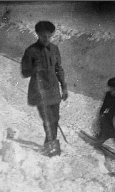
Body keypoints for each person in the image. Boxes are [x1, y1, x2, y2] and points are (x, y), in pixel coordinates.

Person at [21, 21, 68, 157]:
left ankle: (49, 145)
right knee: (48, 121)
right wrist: (34, 68)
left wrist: (64, 87)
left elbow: (59, 68)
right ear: (37, 35)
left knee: (55, 119)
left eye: (48, 36)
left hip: (54, 91)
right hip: (39, 92)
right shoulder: (30, 51)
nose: (46, 39)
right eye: (43, 37)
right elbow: (24, 73)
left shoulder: (55, 49)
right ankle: (51, 149)